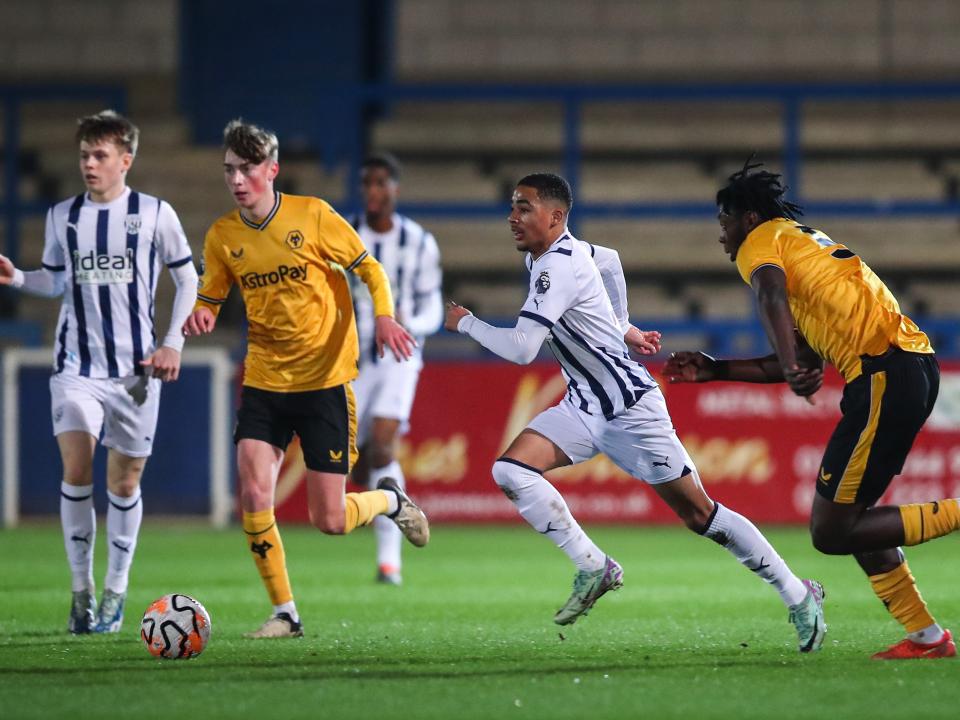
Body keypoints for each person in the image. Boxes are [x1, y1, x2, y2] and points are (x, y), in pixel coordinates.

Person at [445, 172, 826, 652]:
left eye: (524, 207)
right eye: (513, 206)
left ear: (555, 216)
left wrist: (467, 324)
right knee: (512, 471)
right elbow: (609, 260)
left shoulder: (554, 267)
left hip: (630, 409)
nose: (512, 216)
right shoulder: (556, 254)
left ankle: (799, 594)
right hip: (584, 403)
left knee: (700, 515)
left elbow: (523, 349)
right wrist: (623, 327)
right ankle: (593, 566)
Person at [664, 159, 959, 660]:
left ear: (749, 218)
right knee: (853, 520)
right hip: (901, 367)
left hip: (885, 370)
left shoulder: (762, 243)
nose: (723, 237)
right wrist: (717, 370)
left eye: (724, 223)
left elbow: (769, 293)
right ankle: (928, 638)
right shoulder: (802, 249)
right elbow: (797, 361)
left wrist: (786, 356)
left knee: (831, 530)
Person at [182, 120, 429, 639]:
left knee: (330, 520)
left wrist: (385, 316)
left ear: (271, 170)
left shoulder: (312, 215)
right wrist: (201, 313)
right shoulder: (223, 235)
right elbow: (210, 295)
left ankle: (389, 500)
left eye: (248, 169)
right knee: (253, 492)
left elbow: (371, 269)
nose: (237, 180)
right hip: (265, 382)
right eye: (229, 170)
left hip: (325, 383)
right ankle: (285, 613)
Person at [0, 110, 198, 634]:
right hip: (76, 368)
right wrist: (20, 277)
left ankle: (116, 590)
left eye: (100, 155)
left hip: (135, 373)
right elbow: (57, 282)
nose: (89, 163)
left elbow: (189, 282)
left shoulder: (156, 214)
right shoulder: (62, 216)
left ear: (125, 161)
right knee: (76, 467)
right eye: (84, 155)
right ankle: (81, 592)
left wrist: (172, 342)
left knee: (125, 481)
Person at [347, 153, 443, 585]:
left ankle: (390, 563)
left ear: (395, 190)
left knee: (384, 447)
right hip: (350, 363)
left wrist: (412, 324)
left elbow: (433, 307)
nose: (373, 191)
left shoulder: (420, 243)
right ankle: (391, 505)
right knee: (357, 465)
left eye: (381, 183)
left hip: (399, 359)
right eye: (367, 183)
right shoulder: (344, 236)